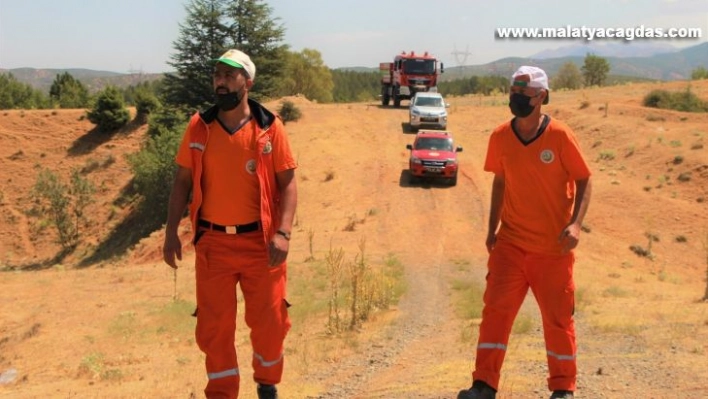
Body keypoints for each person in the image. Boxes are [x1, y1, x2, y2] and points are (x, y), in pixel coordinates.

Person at [162, 49, 297, 399]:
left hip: (261, 245)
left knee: (269, 325)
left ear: (247, 82)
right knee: (214, 328)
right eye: (217, 75)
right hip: (213, 246)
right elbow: (181, 181)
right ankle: (222, 394)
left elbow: (289, 183)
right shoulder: (199, 127)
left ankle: (267, 385)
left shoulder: (269, 128)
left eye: (229, 75)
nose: (220, 81)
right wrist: (170, 232)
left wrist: (283, 233)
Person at [457, 66, 592, 399]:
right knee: (495, 313)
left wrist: (575, 224)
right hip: (511, 245)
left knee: (559, 321)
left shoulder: (560, 136)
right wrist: (492, 230)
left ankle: (563, 388)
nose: (516, 99)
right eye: (513, 93)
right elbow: (500, 181)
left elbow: (585, 179)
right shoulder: (500, 136)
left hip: (553, 250)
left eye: (524, 94)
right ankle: (483, 384)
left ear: (541, 97)